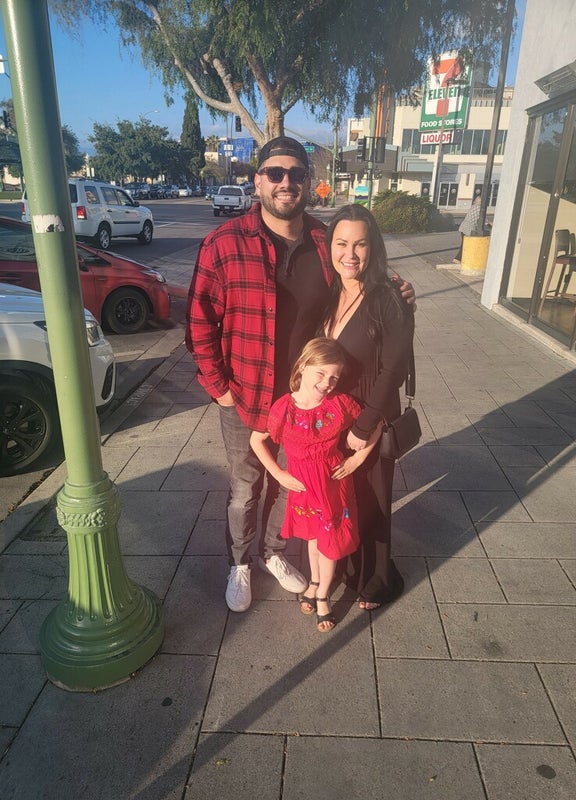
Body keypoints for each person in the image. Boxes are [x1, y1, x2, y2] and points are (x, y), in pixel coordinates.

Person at [186, 134, 415, 614]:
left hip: (308, 401)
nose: (286, 182)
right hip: (246, 395)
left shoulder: (322, 241)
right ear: (258, 181)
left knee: (296, 483)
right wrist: (218, 388)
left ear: (309, 182)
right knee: (246, 487)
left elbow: (357, 279)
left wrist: (396, 290)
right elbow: (199, 322)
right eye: (275, 173)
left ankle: (273, 552)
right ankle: (240, 563)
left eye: (296, 174)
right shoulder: (224, 244)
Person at [319, 204, 415, 610]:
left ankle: (379, 578)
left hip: (369, 417)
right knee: (344, 499)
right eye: (341, 243)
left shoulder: (388, 297)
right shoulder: (331, 293)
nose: (350, 254)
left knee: (373, 501)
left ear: (373, 247)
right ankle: (347, 568)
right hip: (334, 419)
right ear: (330, 246)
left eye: (360, 244)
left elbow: (393, 369)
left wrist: (365, 424)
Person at [250, 338, 380, 632]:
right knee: (312, 538)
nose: (327, 383)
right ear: (303, 366)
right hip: (304, 488)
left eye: (334, 377)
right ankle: (315, 581)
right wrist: (278, 473)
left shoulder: (339, 404)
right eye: (321, 373)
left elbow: (375, 424)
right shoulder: (283, 408)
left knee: (330, 543)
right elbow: (256, 440)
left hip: (333, 485)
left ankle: (322, 595)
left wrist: (358, 459)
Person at [454, 194, 482, 263]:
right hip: (469, 229)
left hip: (463, 227)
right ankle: (458, 258)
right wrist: (490, 223)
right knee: (466, 244)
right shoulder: (479, 209)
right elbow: (482, 220)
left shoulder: (473, 206)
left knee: (464, 243)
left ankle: (459, 258)